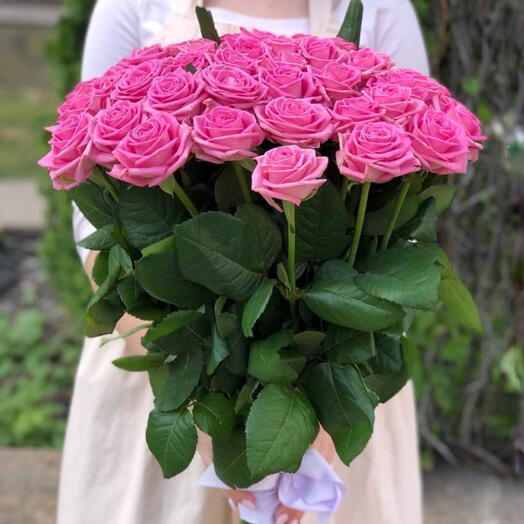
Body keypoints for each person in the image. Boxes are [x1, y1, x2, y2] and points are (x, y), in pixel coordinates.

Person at [59, 1, 429, 523]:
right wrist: (187, 385)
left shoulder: (382, 6)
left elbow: (410, 164)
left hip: (341, 362)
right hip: (165, 342)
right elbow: (88, 190)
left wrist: (331, 413)